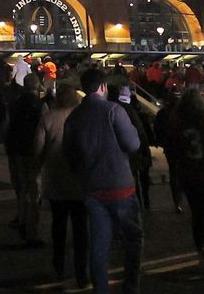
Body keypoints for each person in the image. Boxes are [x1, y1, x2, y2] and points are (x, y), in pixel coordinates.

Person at [64, 69, 143, 294]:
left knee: (99, 244)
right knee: (133, 238)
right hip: (120, 184)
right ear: (103, 87)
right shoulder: (113, 110)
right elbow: (132, 144)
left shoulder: (75, 116)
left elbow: (69, 153)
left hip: (92, 187)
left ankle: (101, 288)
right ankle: (131, 286)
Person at [164, 90, 204, 278]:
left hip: (188, 173)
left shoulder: (177, 119)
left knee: (197, 215)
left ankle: (201, 254)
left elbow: (172, 145)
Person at [36, 80, 87, 285]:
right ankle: (81, 271)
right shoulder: (82, 117)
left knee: (58, 226)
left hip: (55, 179)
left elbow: (37, 149)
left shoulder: (47, 118)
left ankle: (58, 266)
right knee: (81, 229)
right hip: (79, 180)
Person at [5, 81, 44, 244]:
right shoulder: (40, 105)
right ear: (36, 87)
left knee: (22, 187)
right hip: (32, 150)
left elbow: (8, 126)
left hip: (17, 150)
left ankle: (21, 218)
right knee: (34, 191)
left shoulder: (15, 103)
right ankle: (30, 230)